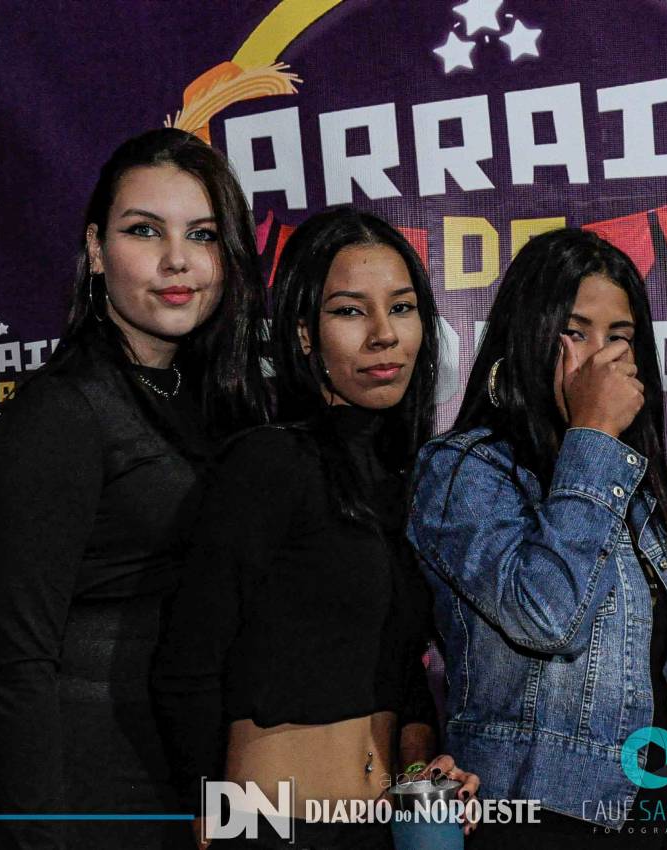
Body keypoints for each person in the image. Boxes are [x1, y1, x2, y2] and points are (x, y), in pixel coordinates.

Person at [151, 206, 479, 850]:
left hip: (386, 830)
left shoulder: (409, 480)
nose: (384, 334)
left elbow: (402, 677)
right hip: (273, 826)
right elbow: (188, 658)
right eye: (350, 311)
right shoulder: (269, 463)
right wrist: (202, 798)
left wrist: (424, 775)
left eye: (403, 308)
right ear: (304, 334)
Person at [0, 128, 271, 850]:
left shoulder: (219, 401)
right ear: (94, 249)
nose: (177, 259)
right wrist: (41, 835)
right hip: (97, 781)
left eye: (202, 234)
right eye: (144, 230)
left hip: (202, 769)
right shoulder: (64, 411)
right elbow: (18, 659)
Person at [406, 228, 667, 849]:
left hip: (654, 814)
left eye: (619, 337)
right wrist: (593, 434)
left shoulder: (632, 484)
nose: (600, 359)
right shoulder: (463, 470)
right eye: (576, 332)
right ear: (528, 338)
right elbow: (548, 618)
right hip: (535, 815)